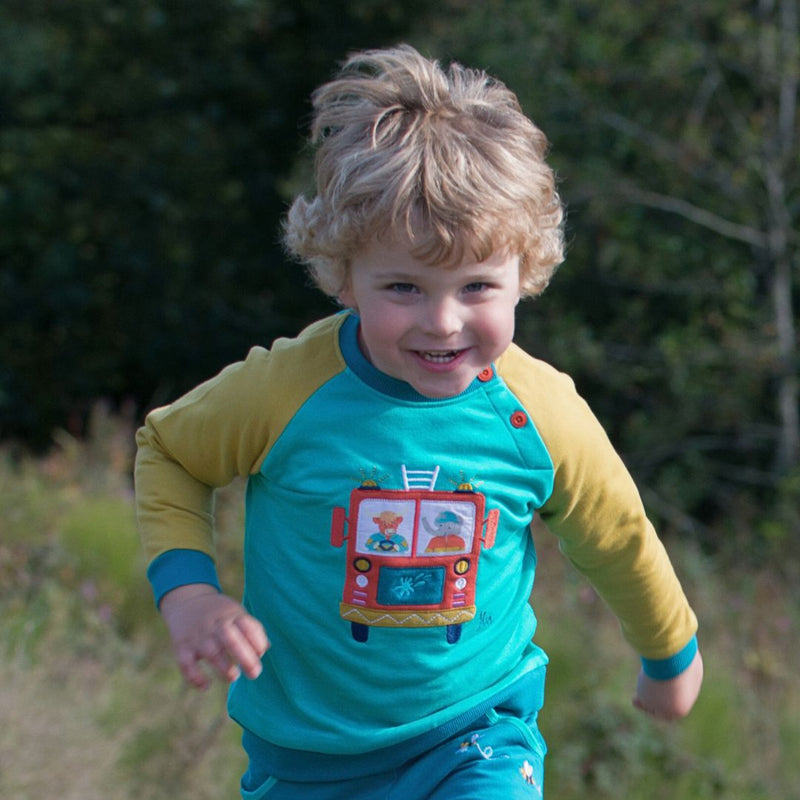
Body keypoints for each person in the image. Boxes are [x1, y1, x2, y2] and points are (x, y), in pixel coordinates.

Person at [135, 44, 703, 799]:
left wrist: (670, 654)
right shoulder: (284, 392)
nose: (442, 322)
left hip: (475, 737)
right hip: (305, 754)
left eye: (477, 286)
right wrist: (190, 593)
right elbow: (170, 452)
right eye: (403, 285)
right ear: (343, 275)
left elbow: (617, 535)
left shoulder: (541, 414)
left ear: (526, 272)